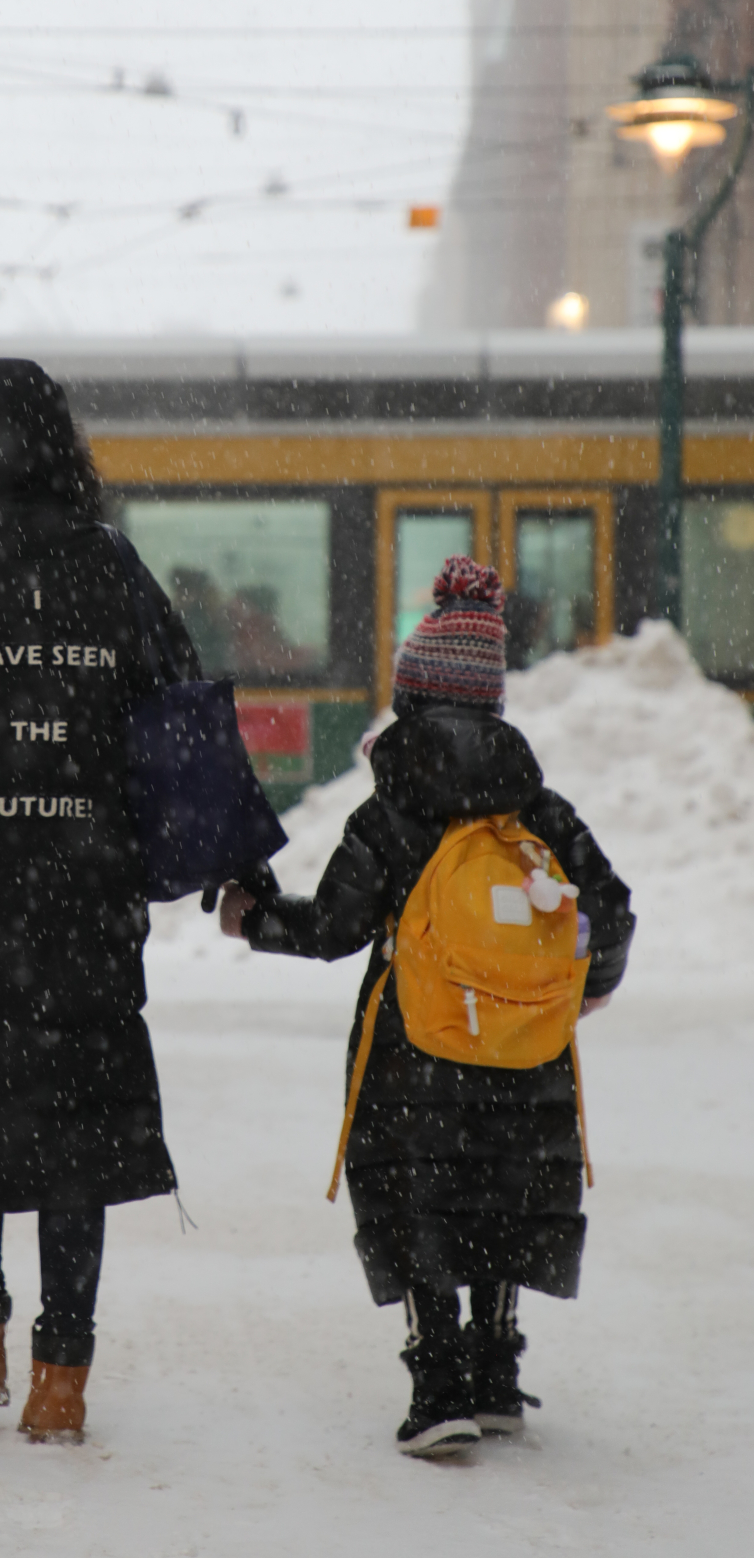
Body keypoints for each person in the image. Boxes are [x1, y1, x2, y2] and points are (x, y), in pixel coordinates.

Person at [0, 357, 232, 1442]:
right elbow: (176, 689)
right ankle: (60, 1373)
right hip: (81, 887)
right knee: (77, 1120)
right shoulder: (108, 562)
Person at [221, 556, 635, 1458]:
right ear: (492, 707)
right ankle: (494, 1368)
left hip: (415, 1049)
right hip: (524, 1047)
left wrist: (253, 920)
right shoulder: (537, 810)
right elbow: (610, 909)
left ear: (410, 700)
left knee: (416, 1199)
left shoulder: (392, 812)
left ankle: (436, 1376)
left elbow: (332, 927)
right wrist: (585, 986)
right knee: (501, 1192)